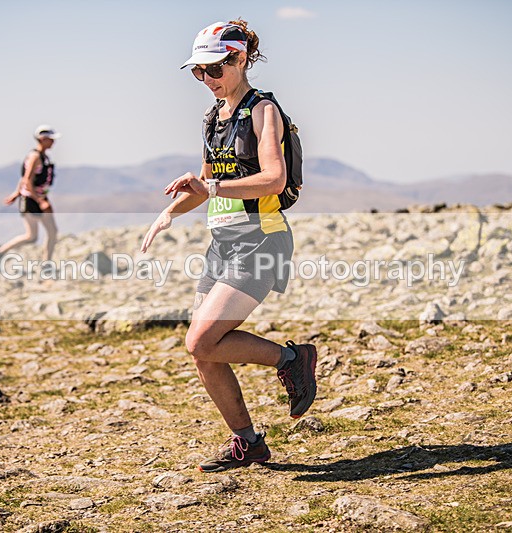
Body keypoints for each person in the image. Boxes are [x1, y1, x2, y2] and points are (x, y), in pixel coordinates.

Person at [140, 20, 318, 473]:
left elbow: (273, 178)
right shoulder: (212, 117)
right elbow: (204, 185)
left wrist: (212, 186)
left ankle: (293, 359)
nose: (208, 80)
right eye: (198, 72)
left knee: (201, 337)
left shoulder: (264, 111)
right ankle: (248, 443)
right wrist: (169, 214)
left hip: (261, 240)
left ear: (240, 59)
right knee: (202, 350)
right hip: (223, 242)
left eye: (215, 69)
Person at [0, 125, 60, 271]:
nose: (53, 143)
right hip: (32, 200)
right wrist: (39, 201)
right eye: (50, 139)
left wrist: (17, 193)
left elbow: (25, 178)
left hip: (39, 198)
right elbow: (27, 180)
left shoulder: (44, 157)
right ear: (42, 139)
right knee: (32, 236)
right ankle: (0, 252)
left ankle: (46, 264)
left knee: (51, 232)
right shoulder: (35, 157)